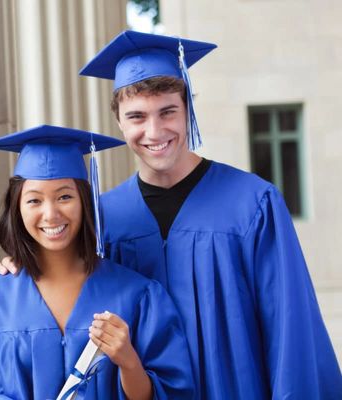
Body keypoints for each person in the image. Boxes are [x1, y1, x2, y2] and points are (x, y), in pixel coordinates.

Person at [78, 31, 342, 398]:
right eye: (136, 116)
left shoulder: (253, 203)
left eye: (167, 111)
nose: (154, 131)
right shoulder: (104, 217)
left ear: (189, 110)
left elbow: (290, 330)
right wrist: (15, 265)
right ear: (119, 124)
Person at [0, 125, 195, 399]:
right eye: (34, 200)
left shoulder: (138, 296)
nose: (50, 214)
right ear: (17, 209)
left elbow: (173, 392)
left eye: (64, 196)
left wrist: (129, 361)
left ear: (85, 201)